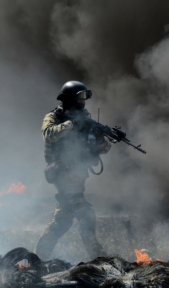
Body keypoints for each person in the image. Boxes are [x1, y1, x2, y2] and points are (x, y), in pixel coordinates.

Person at [35, 81, 111, 261]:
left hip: (78, 174)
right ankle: (99, 258)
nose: (82, 101)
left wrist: (99, 139)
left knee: (62, 221)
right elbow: (48, 134)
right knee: (86, 215)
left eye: (84, 97)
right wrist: (71, 125)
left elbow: (103, 148)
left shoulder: (87, 119)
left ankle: (37, 258)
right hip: (62, 173)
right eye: (79, 97)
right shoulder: (54, 117)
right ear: (69, 99)